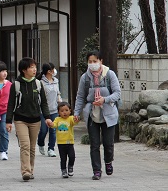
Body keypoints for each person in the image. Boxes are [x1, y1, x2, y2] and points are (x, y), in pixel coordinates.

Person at [74, 51, 121, 180]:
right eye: (90, 61)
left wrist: (104, 99)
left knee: (108, 143)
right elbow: (80, 96)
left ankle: (108, 161)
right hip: (92, 114)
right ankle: (96, 170)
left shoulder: (109, 75)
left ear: (101, 61)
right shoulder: (85, 77)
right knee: (94, 144)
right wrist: (76, 113)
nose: (92, 64)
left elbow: (117, 93)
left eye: (95, 61)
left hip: (108, 113)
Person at [6, 57, 53, 182]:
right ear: (23, 70)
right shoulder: (16, 84)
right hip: (20, 119)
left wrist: (47, 118)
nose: (34, 69)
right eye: (31, 67)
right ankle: (25, 171)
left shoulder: (38, 84)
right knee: (25, 145)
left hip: (36, 119)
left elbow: (44, 103)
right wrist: (8, 121)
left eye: (35, 67)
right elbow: (10, 104)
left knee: (32, 147)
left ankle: (31, 170)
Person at [37, 63, 62, 157]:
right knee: (43, 130)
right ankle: (40, 143)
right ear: (49, 71)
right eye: (53, 69)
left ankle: (51, 149)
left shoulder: (56, 81)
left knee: (53, 130)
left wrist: (59, 99)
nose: (55, 71)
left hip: (54, 109)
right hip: (43, 111)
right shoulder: (40, 82)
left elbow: (58, 92)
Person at [52, 102, 78, 178]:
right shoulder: (57, 119)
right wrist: (50, 124)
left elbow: (75, 122)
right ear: (58, 112)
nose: (64, 112)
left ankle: (70, 166)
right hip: (61, 143)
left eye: (66, 110)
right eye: (62, 111)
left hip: (70, 142)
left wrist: (77, 119)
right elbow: (54, 125)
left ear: (70, 111)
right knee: (63, 158)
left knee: (72, 156)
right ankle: (63, 170)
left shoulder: (70, 118)